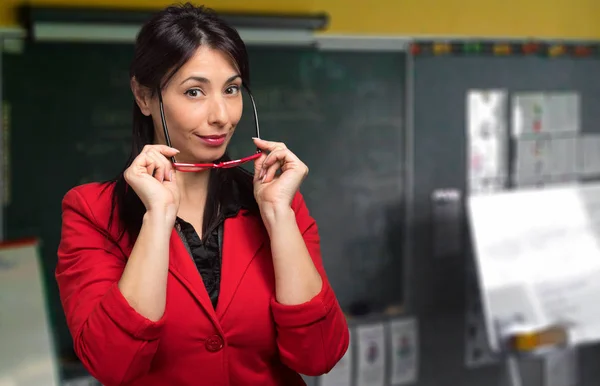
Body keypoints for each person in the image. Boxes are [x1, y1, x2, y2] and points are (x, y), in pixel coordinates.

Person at [55, 3, 349, 386]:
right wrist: (157, 218)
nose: (221, 116)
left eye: (231, 90)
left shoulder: (280, 201)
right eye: (194, 92)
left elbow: (320, 355)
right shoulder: (92, 212)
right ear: (144, 97)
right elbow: (113, 364)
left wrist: (278, 214)